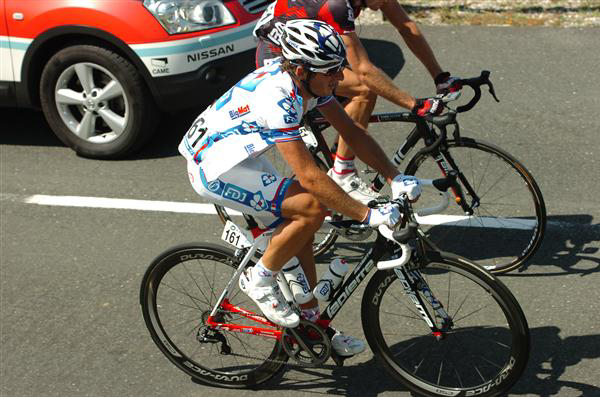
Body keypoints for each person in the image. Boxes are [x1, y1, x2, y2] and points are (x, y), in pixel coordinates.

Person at [179, 19, 421, 357]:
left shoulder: (310, 84)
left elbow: (351, 132)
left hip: (240, 155)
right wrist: (367, 215)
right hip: (215, 166)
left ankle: (310, 323)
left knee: (303, 224)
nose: (339, 78)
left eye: (339, 68)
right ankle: (260, 279)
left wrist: (396, 176)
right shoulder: (278, 98)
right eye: (330, 72)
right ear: (299, 69)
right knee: (311, 206)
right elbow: (309, 176)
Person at [253, 0, 461, 203]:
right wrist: (415, 105)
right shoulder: (337, 5)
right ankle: (343, 173)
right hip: (280, 52)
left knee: (362, 84)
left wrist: (440, 77)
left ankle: (339, 153)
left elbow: (407, 27)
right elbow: (363, 71)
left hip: (315, 41)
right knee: (364, 90)